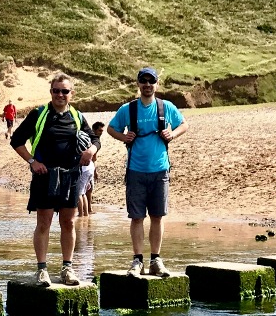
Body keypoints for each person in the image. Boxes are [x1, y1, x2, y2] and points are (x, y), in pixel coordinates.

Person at [10, 73, 100, 286]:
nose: (60, 94)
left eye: (65, 91)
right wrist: (32, 161)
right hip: (45, 176)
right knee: (44, 223)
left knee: (68, 222)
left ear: (72, 94)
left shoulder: (77, 116)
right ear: (51, 92)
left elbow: (95, 138)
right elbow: (16, 140)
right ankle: (42, 270)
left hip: (71, 176)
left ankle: (67, 268)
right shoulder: (39, 114)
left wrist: (91, 150)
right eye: (56, 90)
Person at [107, 67, 188, 277]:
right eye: (143, 81)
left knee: (158, 216)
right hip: (135, 170)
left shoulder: (166, 106)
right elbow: (111, 128)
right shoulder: (128, 109)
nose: (147, 85)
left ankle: (156, 260)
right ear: (138, 84)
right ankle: (137, 261)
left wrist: (173, 133)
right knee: (136, 217)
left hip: (160, 170)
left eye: (151, 82)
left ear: (156, 84)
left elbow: (184, 125)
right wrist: (123, 137)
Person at [77, 121, 105, 216]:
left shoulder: (89, 140)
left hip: (87, 168)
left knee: (81, 192)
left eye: (102, 131)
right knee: (85, 191)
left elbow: (93, 157)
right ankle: (87, 212)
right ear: (94, 130)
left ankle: (82, 214)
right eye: (100, 130)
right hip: (90, 168)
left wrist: (95, 170)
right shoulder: (92, 140)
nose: (101, 133)